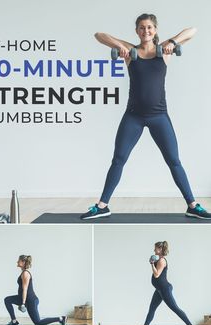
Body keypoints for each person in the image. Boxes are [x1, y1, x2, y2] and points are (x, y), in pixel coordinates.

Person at [80, 13, 211, 220]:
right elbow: (99, 35)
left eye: (149, 27)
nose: (146, 31)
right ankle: (102, 205)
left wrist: (174, 42)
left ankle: (193, 205)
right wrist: (119, 46)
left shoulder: (165, 50)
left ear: (155, 30)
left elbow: (192, 31)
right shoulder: (131, 52)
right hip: (133, 116)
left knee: (174, 160)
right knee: (118, 159)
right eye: (141, 28)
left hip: (159, 116)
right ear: (137, 31)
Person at [133, 241, 198, 325]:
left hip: (164, 289)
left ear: (160, 249)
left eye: (155, 248)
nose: (154, 250)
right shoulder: (158, 259)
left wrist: (151, 264)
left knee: (175, 308)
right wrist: (153, 262)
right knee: (152, 309)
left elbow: (156, 274)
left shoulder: (162, 261)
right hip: (159, 289)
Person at [4, 255, 67, 325]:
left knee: (38, 322)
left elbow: (25, 289)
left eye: (19, 260)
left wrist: (23, 303)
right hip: (23, 298)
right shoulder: (23, 272)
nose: (17, 262)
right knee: (7, 300)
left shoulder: (25, 273)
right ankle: (14, 321)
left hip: (30, 300)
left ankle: (61, 318)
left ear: (23, 262)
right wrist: (22, 301)